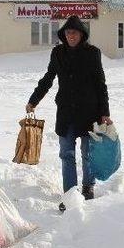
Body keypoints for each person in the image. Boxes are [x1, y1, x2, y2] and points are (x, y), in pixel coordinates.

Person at [26, 15, 111, 212]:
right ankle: (70, 194)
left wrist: (104, 112)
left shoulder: (92, 53)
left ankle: (88, 187)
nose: (71, 36)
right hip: (66, 113)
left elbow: (100, 84)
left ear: (82, 34)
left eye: (74, 32)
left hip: (89, 113)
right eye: (68, 32)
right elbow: (48, 78)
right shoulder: (58, 53)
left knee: (87, 153)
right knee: (66, 154)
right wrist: (33, 100)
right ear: (64, 35)